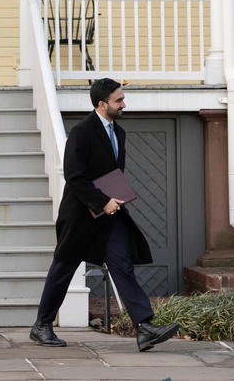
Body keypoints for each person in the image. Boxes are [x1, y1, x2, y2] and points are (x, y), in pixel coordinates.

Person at [30, 77, 180, 352]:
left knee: (122, 265)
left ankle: (144, 327)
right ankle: (42, 325)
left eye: (122, 98)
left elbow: (112, 173)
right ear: (102, 104)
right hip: (80, 216)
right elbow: (75, 176)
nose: (124, 104)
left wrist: (114, 200)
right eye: (118, 100)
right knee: (63, 268)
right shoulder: (82, 131)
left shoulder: (119, 133)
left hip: (111, 216)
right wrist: (102, 201)